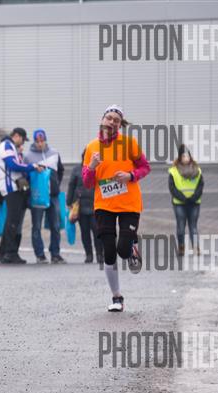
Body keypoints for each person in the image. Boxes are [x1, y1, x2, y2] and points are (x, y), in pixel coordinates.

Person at [83, 105, 150, 312]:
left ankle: (131, 247)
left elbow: (145, 167)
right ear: (102, 119)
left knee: (122, 250)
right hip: (104, 204)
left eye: (116, 120)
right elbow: (87, 183)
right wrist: (92, 167)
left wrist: (130, 176)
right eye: (109, 118)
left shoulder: (129, 144)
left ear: (120, 125)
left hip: (129, 203)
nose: (112, 122)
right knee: (109, 252)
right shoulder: (92, 147)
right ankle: (117, 297)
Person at [23, 129, 65, 264]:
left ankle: (55, 254)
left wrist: (56, 184)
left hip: (53, 195)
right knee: (36, 226)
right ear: (34, 141)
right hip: (37, 196)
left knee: (55, 225)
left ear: (45, 140)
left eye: (42, 141)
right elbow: (24, 175)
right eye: (37, 141)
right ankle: (40, 255)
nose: (40, 143)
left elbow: (60, 170)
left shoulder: (54, 153)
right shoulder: (28, 156)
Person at [0, 127, 32, 264]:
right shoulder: (6, 146)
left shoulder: (11, 147)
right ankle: (10, 253)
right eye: (23, 140)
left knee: (12, 220)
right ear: (17, 136)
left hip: (14, 187)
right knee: (12, 221)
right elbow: (13, 165)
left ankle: (2, 250)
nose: (23, 143)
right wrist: (32, 166)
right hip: (11, 187)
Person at [67, 150, 103, 264]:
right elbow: (71, 186)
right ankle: (89, 255)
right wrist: (69, 202)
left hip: (96, 204)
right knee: (84, 231)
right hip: (81, 205)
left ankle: (100, 254)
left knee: (97, 231)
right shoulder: (77, 170)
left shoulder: (99, 168)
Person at [168, 144, 203, 256]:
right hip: (179, 203)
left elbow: (200, 186)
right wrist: (183, 198)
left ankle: (196, 248)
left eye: (187, 156)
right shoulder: (173, 171)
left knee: (193, 226)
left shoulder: (197, 170)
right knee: (181, 227)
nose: (186, 158)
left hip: (194, 203)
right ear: (179, 157)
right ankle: (181, 247)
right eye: (183, 156)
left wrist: (193, 198)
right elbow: (172, 188)